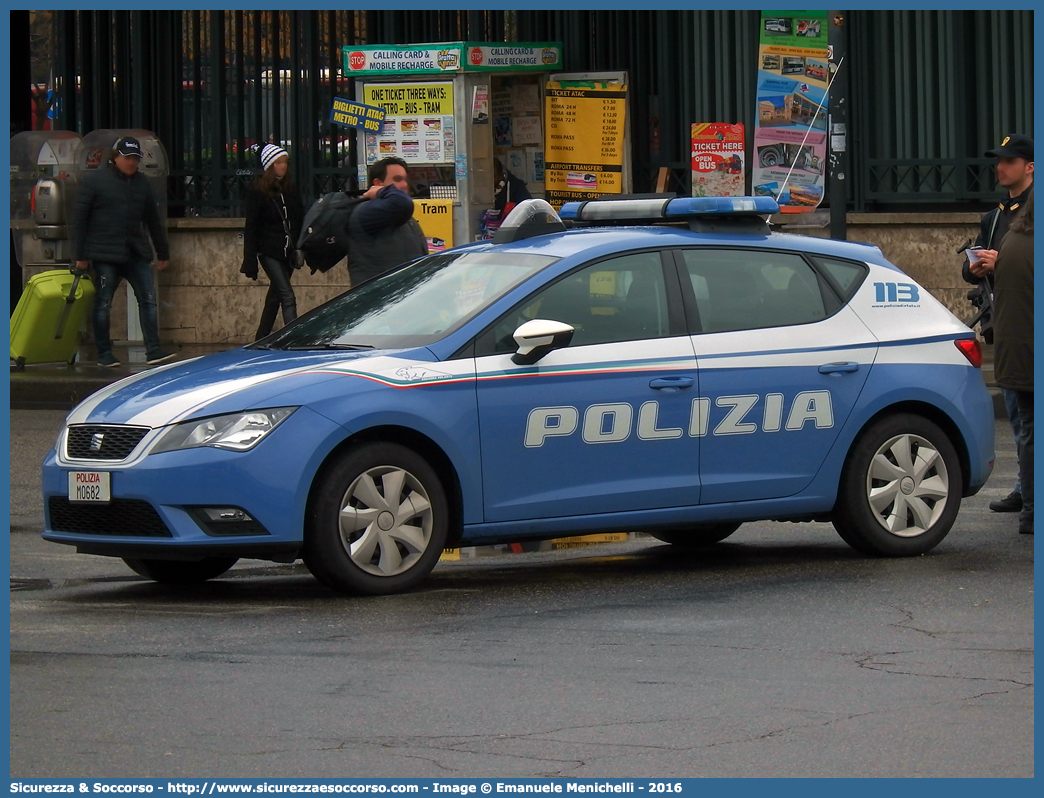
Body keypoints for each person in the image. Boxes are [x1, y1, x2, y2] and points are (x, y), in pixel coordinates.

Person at [962, 133, 1033, 514]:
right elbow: (969, 268)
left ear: (1030, 167)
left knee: (1028, 418)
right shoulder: (994, 217)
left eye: (1008, 161)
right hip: (1003, 325)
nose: (1000, 168)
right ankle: (1025, 488)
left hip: (1029, 326)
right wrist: (974, 267)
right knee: (1020, 419)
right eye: (998, 161)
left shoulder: (1033, 213)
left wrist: (1001, 263)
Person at [71, 135, 174, 367]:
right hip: (105, 253)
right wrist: (80, 255)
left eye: (135, 159)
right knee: (103, 304)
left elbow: (153, 220)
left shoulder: (142, 183)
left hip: (135, 251)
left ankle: (154, 350)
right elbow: (79, 220)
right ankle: (104, 353)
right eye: (127, 158)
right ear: (115, 158)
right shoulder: (94, 181)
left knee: (148, 300)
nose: (131, 163)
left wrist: (162, 253)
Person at [992, 190, 1033, 535]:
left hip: (1016, 353)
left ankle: (1031, 510)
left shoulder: (1013, 240)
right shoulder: (999, 222)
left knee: (1029, 433)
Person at [240, 143, 304, 340]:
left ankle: (261, 338)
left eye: (285, 162)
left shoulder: (291, 189)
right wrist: (249, 259)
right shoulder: (258, 191)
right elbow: (251, 226)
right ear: (269, 166)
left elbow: (299, 219)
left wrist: (302, 247)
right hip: (269, 251)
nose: (283, 166)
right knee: (287, 294)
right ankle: (293, 338)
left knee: (275, 296)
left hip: (289, 252)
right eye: (278, 163)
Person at [344, 156, 428, 286]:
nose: (405, 185)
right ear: (378, 183)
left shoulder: (395, 212)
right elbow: (403, 203)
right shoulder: (368, 211)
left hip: (403, 295)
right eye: (397, 180)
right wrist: (383, 191)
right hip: (379, 298)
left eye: (405, 179)